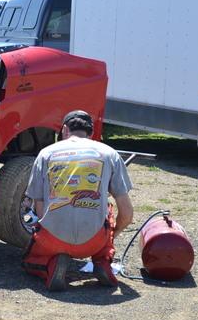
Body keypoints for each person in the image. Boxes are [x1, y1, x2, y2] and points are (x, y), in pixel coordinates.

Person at [22, 110, 134, 291]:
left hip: (52, 239)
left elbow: (39, 206)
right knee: (108, 209)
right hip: (94, 241)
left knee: (32, 260)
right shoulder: (110, 154)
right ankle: (102, 260)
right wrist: (111, 236)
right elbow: (127, 214)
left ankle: (51, 264)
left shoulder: (45, 154)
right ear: (91, 132)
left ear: (65, 130)